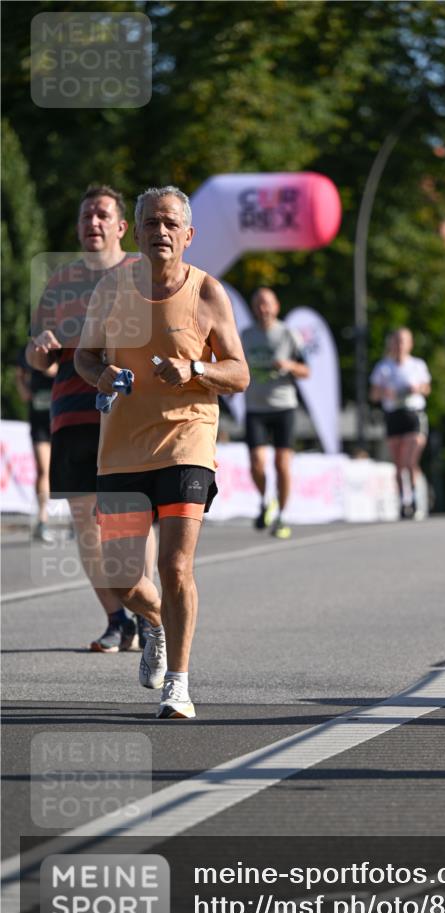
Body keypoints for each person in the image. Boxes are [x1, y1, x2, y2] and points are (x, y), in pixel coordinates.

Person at [75, 185, 249, 719]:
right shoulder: (111, 288)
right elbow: (84, 358)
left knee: (175, 567)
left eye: (171, 224)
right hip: (123, 448)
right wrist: (101, 372)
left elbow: (239, 374)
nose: (160, 232)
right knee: (125, 578)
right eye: (151, 222)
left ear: (189, 235)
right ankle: (152, 625)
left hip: (186, 440)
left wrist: (196, 369)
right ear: (139, 230)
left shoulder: (207, 294)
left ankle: (180, 683)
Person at [26, 185, 156, 651]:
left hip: (126, 415)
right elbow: (41, 360)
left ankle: (147, 615)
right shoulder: (61, 283)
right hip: (72, 416)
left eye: (102, 215)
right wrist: (39, 349)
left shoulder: (142, 274)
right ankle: (116, 618)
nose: (92, 223)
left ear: (122, 227)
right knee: (86, 524)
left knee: (127, 521)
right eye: (85, 217)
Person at [241, 287, 309, 540]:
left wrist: (290, 365)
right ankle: (265, 499)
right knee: (257, 463)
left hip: (284, 406)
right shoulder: (246, 335)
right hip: (255, 408)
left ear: (276, 306)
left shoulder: (288, 334)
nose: (263, 308)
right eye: (258, 303)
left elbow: (306, 370)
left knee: (282, 464)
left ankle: (282, 514)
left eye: (267, 303)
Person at [369, 327, 431, 519]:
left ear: (410, 344)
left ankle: (414, 498)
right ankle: (402, 501)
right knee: (399, 465)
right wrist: (385, 392)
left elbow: (427, 388)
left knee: (410, 460)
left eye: (403, 341)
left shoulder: (417, 365)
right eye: (396, 341)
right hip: (394, 415)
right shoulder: (383, 367)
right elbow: (373, 395)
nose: (399, 345)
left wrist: (416, 388)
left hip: (413, 414)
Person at [15, 346, 57, 541]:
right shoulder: (28, 349)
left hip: (62, 419)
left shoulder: (64, 345)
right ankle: (42, 520)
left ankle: (78, 521)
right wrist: (23, 389)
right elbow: (19, 375)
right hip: (40, 420)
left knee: (71, 469)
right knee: (44, 469)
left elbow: (58, 369)